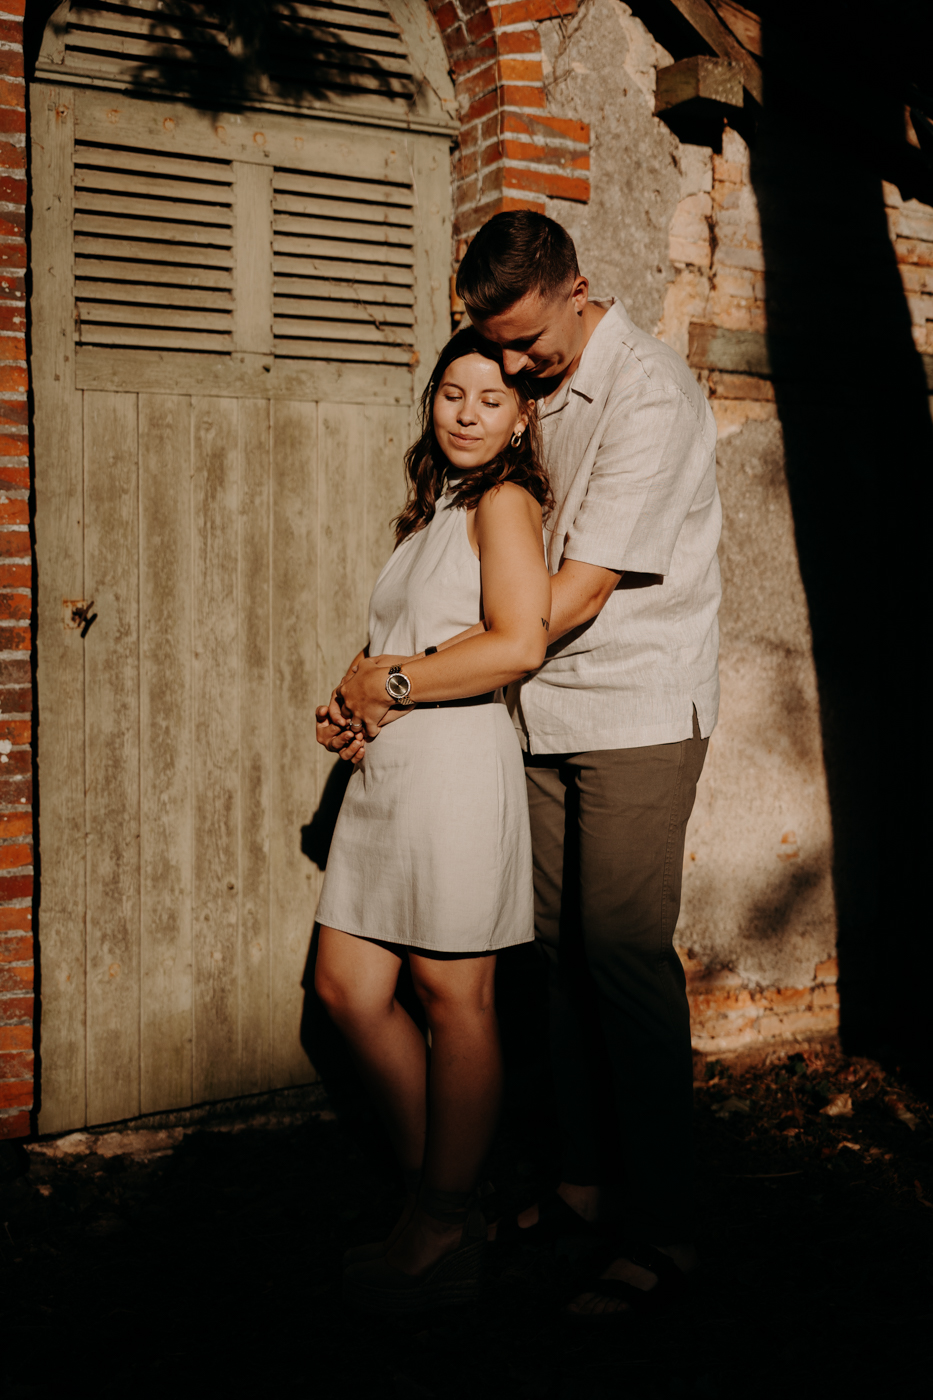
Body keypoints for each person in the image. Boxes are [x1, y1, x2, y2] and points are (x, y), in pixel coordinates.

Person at [325, 210, 721, 1319]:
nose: (508, 367)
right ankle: (583, 1186)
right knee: (551, 960)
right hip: (532, 712)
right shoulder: (529, 382)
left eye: (528, 345)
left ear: (579, 290)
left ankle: (667, 1231)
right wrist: (430, 669)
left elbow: (572, 595)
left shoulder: (648, 393)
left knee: (626, 957)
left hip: (636, 705)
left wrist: (407, 673)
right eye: (491, 347)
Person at [313, 326, 552, 1314]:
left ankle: (443, 1221)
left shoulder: (505, 501)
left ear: (522, 412)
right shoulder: (435, 507)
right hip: (395, 773)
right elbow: (409, 646)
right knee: (347, 985)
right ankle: (448, 1198)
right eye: (452, 393)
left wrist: (393, 679)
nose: (465, 412)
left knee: (456, 1001)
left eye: (489, 398)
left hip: (458, 771)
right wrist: (359, 704)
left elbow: (517, 644)